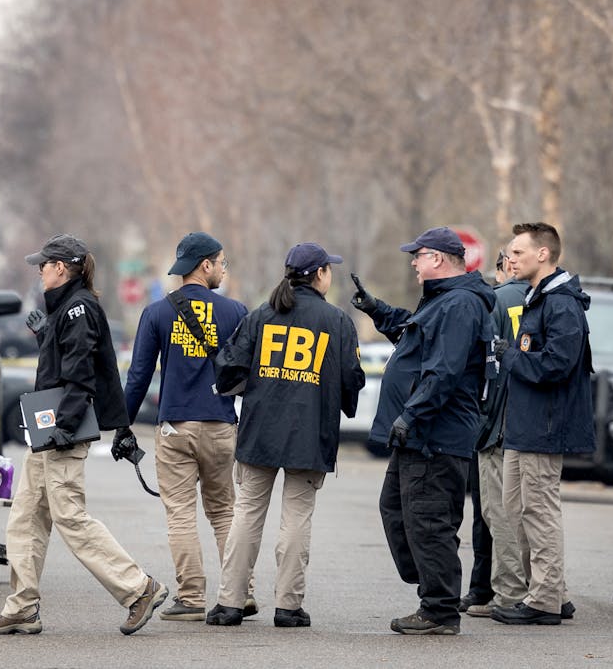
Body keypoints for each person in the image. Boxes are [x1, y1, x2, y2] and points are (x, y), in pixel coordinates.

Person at [0, 234, 168, 636]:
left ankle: (140, 589)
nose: (40, 271)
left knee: (71, 518)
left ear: (61, 268)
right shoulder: (68, 309)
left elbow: (80, 375)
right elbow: (67, 361)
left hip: (62, 432)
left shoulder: (79, 309)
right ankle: (22, 608)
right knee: (26, 518)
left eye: (43, 265)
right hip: (49, 432)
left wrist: (64, 426)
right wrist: (46, 333)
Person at [204, 242, 363, 629]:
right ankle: (288, 606)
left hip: (260, 430)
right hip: (310, 434)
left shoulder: (261, 315)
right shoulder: (337, 321)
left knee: (246, 514)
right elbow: (352, 380)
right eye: (330, 270)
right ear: (320, 274)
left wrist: (251, 388)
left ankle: (229, 602)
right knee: (296, 517)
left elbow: (227, 366)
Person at [353, 226, 495, 636]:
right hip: (419, 435)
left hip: (436, 435)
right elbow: (412, 333)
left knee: (429, 520)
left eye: (418, 255)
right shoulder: (443, 302)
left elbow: (445, 372)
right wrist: (376, 309)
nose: (413, 262)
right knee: (397, 510)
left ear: (438, 259)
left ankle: (439, 608)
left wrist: (410, 415)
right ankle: (435, 583)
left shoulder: (461, 305)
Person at [122, 232, 252, 621]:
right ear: (205, 266)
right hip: (221, 424)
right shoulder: (236, 312)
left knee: (180, 513)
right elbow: (250, 373)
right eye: (221, 263)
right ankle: (239, 594)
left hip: (176, 426)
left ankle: (191, 598)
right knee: (225, 512)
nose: (224, 270)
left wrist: (123, 426)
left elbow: (139, 376)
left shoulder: (157, 313)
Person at [490, 223, 593, 625]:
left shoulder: (561, 303)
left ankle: (545, 602)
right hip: (524, 425)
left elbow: (557, 364)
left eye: (517, 252)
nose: (510, 259)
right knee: (516, 510)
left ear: (543, 255)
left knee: (539, 511)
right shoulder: (539, 297)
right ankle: (553, 591)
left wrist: (510, 356)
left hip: (545, 427)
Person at [466, 245, 530, 620]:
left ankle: (509, 592)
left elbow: (483, 362)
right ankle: (548, 589)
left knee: (498, 510)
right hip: (538, 420)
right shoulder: (553, 299)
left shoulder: (498, 300)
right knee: (535, 511)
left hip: (499, 419)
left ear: (506, 265)